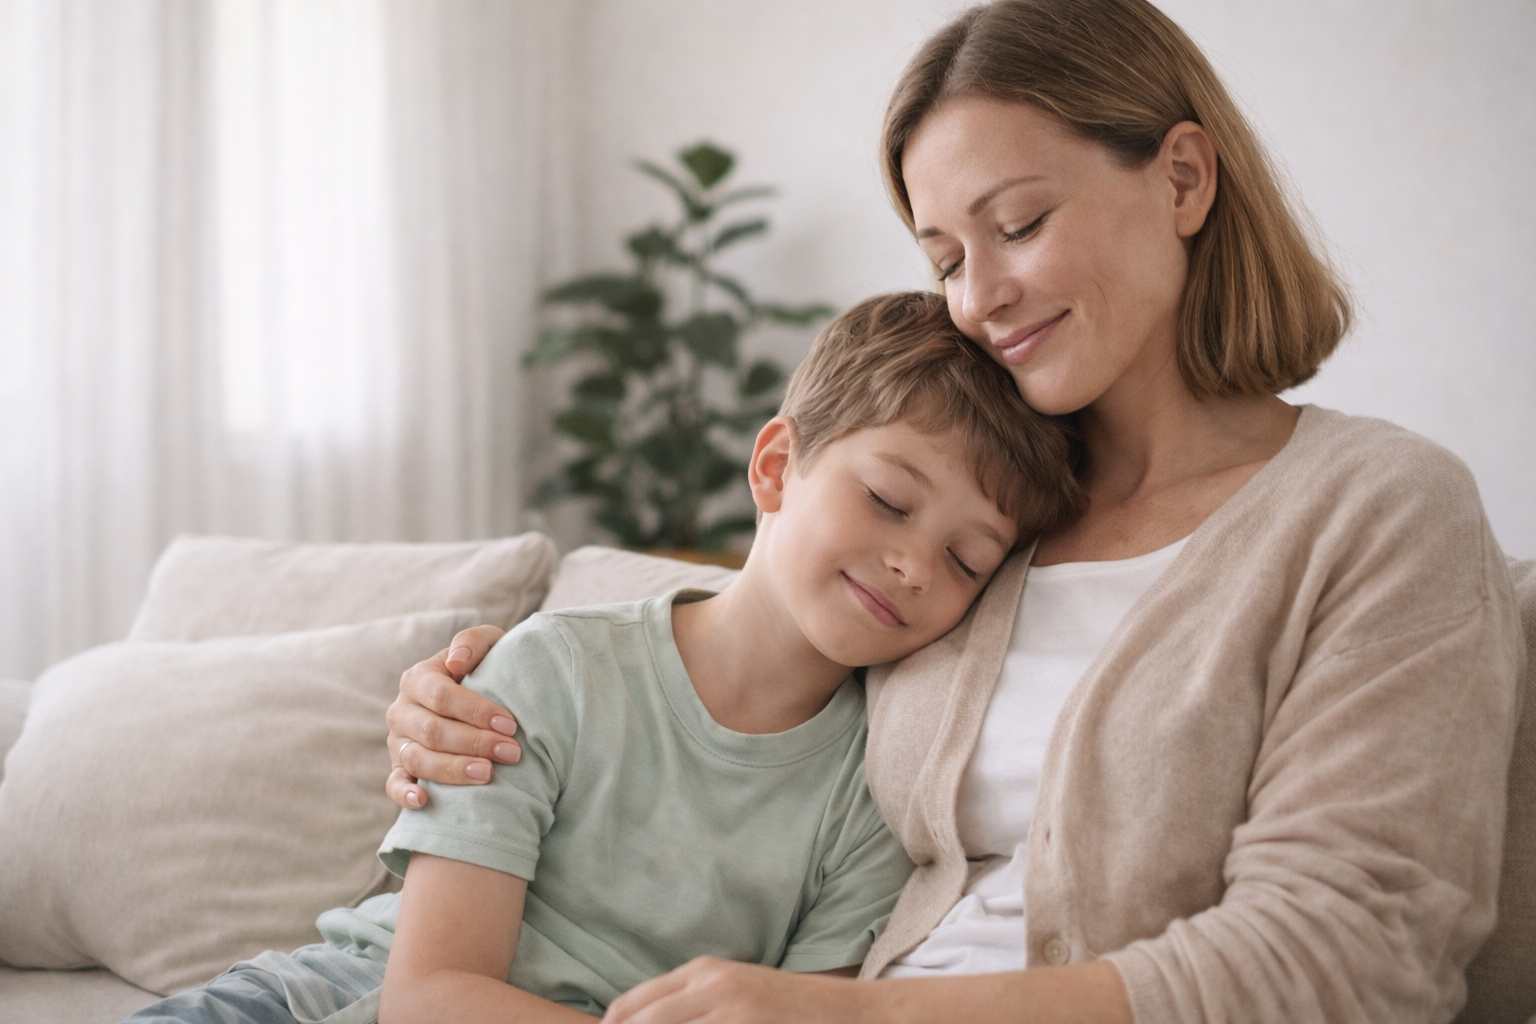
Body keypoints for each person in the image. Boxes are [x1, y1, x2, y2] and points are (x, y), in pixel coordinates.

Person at [385, 1, 1525, 1022]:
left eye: (1019, 224)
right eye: (945, 258)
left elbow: (1353, 958)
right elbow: (729, 679)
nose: (978, 299)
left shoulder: (1377, 510)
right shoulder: (981, 519)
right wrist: (468, 698)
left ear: (1183, 179)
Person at [115, 293, 1082, 1024]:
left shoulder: (876, 796)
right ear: (777, 466)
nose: (915, 564)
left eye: (967, 559)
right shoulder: (554, 672)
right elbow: (430, 995)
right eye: (888, 499)